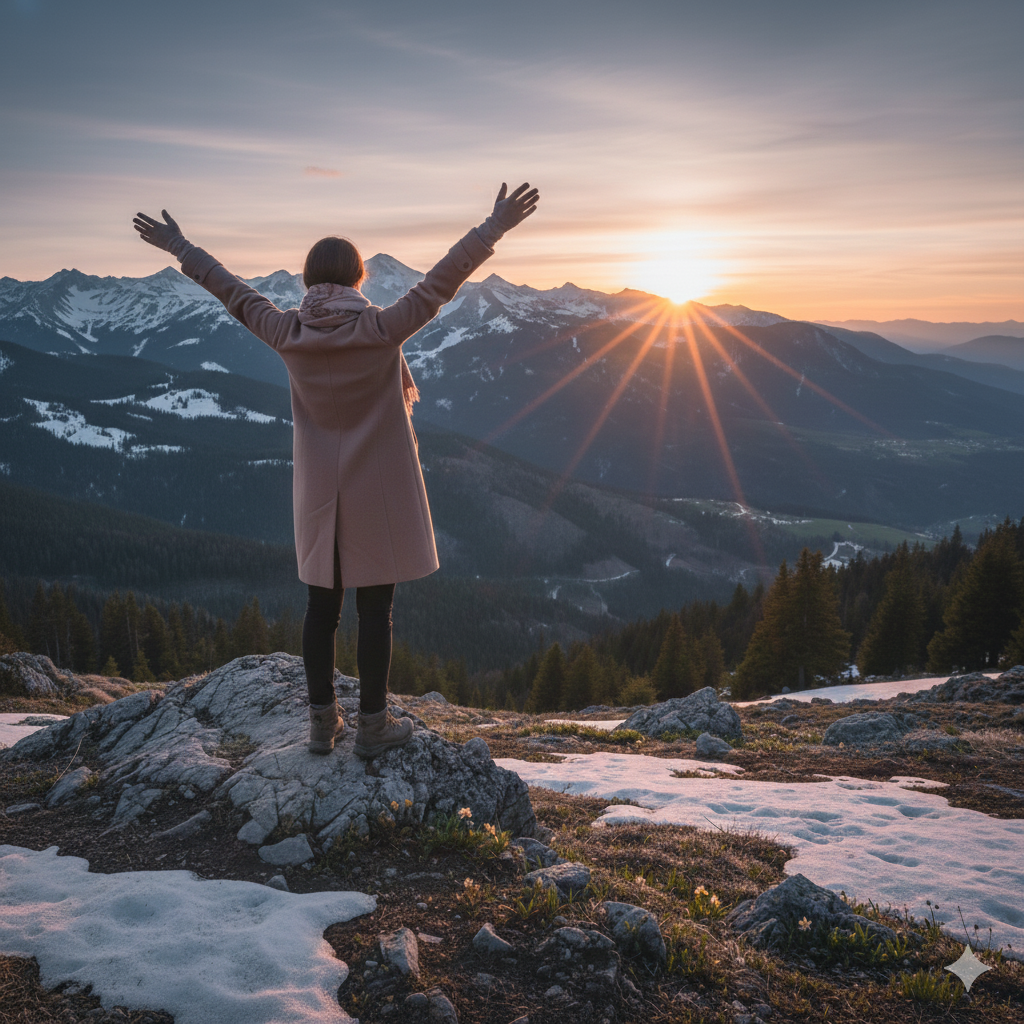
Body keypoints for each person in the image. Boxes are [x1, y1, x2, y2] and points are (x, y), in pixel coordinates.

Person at [133, 182, 540, 758]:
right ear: (357, 279)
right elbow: (442, 282)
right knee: (376, 610)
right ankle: (373, 727)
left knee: (320, 610)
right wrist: (494, 226)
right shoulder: (380, 328)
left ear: (307, 281)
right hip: (379, 489)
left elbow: (231, 290)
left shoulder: (287, 331)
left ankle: (322, 725)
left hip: (319, 492)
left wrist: (179, 245)